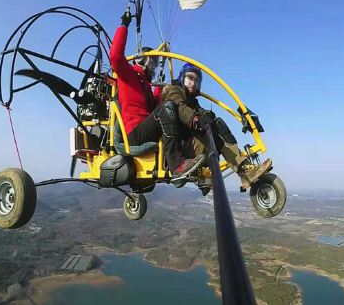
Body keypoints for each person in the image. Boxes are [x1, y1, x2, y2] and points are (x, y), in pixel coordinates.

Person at [109, 10, 204, 179]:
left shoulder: (144, 83)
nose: (154, 66)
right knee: (167, 109)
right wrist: (124, 25)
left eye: (156, 63)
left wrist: (162, 87)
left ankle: (195, 162)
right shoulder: (128, 75)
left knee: (172, 107)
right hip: (133, 134)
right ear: (141, 60)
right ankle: (176, 165)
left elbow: (153, 107)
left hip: (146, 127)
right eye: (152, 61)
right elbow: (115, 56)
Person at [163, 63, 273, 189]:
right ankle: (243, 169)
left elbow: (200, 112)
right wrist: (198, 120)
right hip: (178, 149)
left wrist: (208, 115)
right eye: (190, 78)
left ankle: (242, 166)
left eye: (196, 80)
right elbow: (182, 110)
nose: (193, 83)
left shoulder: (192, 101)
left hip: (190, 143)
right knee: (214, 135)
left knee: (217, 124)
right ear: (182, 77)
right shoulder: (174, 91)